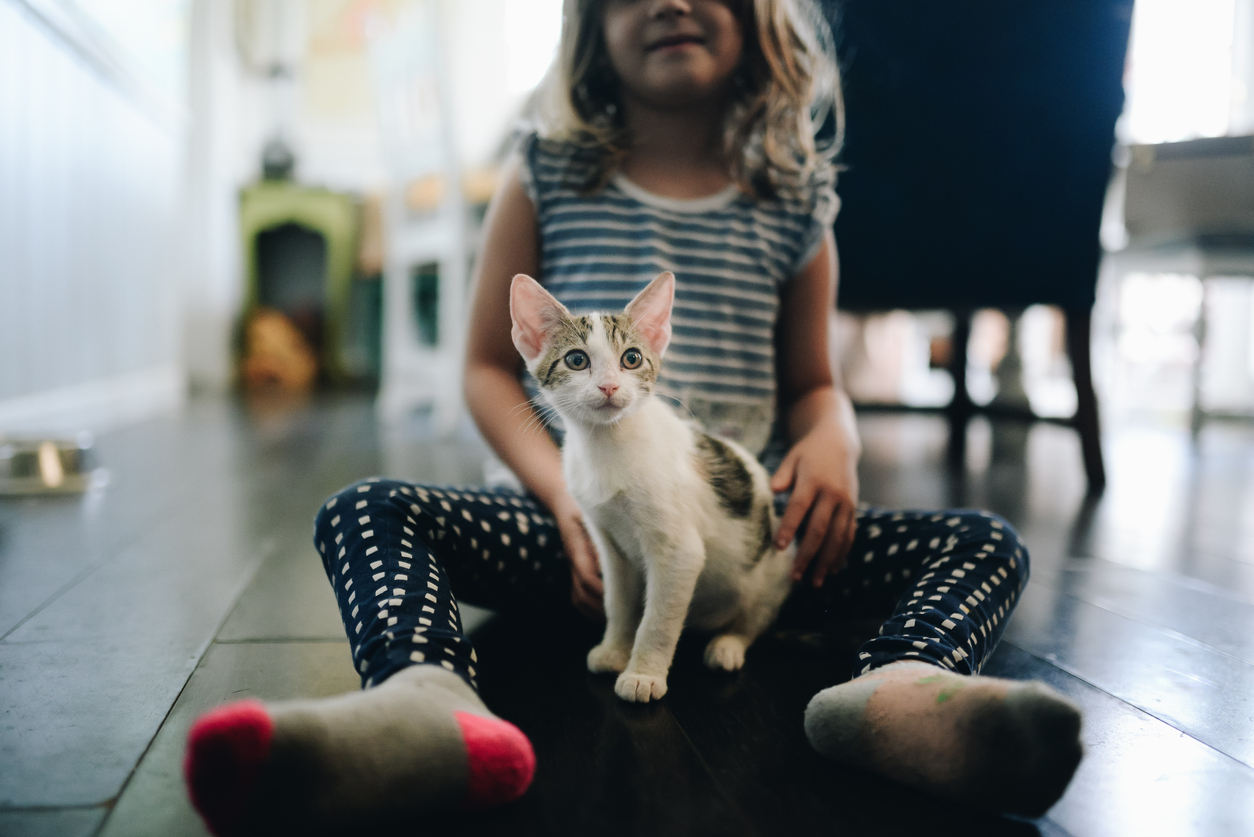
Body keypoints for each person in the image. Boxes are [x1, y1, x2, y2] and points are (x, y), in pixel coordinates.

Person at [182, 1, 1082, 833]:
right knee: (364, 508)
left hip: (753, 536)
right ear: (590, 22)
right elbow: (488, 372)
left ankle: (898, 690)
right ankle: (427, 699)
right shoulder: (547, 170)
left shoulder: (794, 198)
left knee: (982, 540)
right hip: (560, 529)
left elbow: (815, 382)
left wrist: (832, 435)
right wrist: (561, 501)